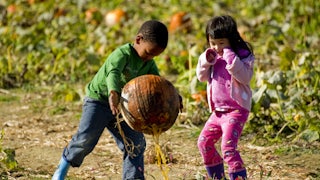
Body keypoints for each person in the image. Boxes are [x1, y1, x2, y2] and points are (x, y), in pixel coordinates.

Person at [52, 20, 169, 180]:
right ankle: (61, 170)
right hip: (98, 101)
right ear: (138, 40)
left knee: (135, 144)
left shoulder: (148, 63)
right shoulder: (122, 54)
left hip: (125, 107)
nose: (150, 58)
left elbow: (157, 82)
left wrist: (172, 96)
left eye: (155, 55)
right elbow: (112, 72)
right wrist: (113, 93)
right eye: (148, 53)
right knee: (85, 140)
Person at [196, 15, 254, 180]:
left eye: (222, 43)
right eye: (213, 43)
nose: (217, 47)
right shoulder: (212, 57)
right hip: (218, 112)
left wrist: (231, 59)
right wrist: (205, 61)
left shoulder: (242, 56)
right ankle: (217, 177)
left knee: (228, 148)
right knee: (204, 142)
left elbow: (245, 78)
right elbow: (201, 77)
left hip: (236, 110)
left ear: (231, 39)